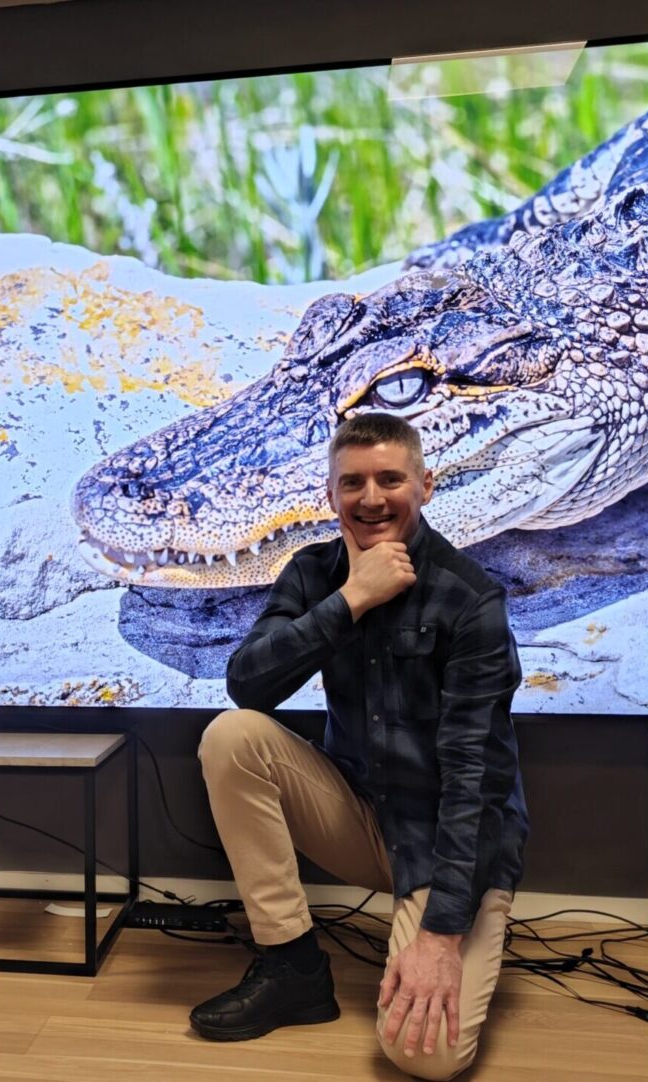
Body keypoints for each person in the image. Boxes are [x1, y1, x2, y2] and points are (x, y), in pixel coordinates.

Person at [189, 411, 528, 1080]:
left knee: (425, 1057)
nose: (371, 498)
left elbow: (473, 780)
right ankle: (294, 967)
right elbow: (247, 686)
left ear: (425, 486)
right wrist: (350, 601)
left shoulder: (472, 599)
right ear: (330, 495)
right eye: (352, 483)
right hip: (359, 813)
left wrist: (439, 936)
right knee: (234, 738)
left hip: (445, 840)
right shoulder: (315, 574)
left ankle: (459, 936)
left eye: (390, 479)